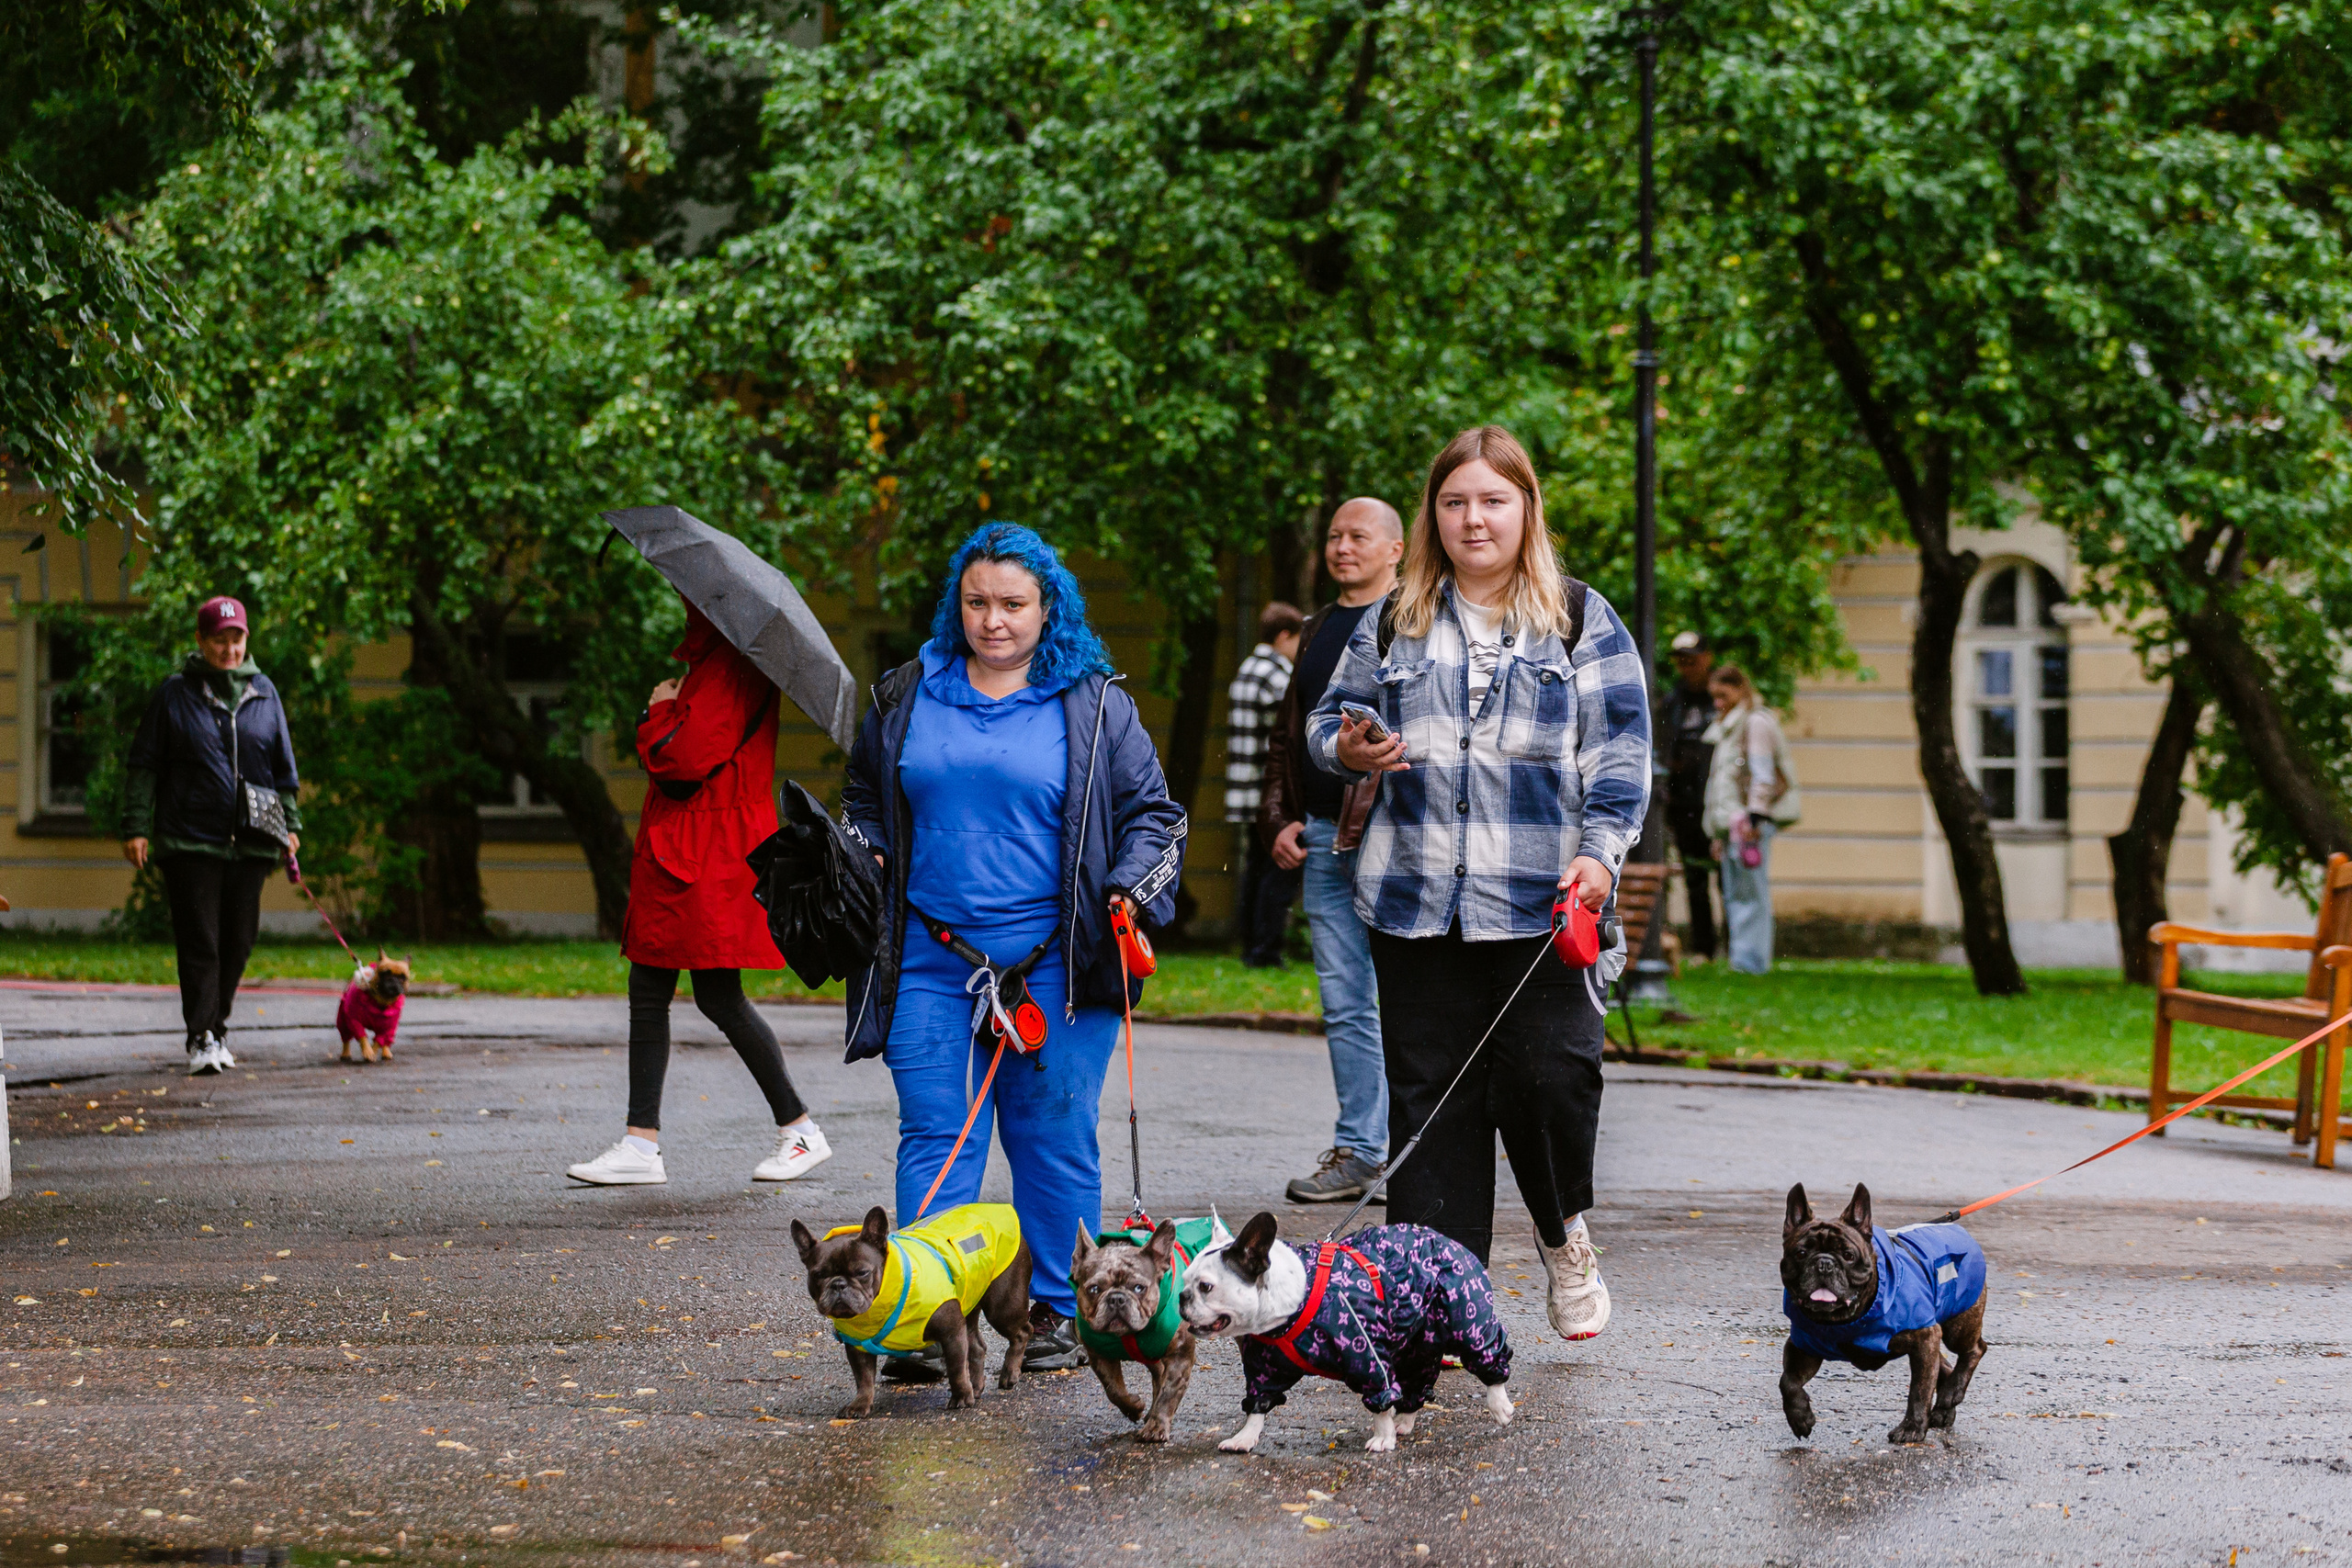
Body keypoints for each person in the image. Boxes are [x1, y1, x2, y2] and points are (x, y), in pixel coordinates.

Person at [1309, 424, 1651, 1344]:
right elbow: (1325, 724)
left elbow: (1621, 753)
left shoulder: (1580, 617)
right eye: (1455, 501)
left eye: (1493, 500)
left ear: (1525, 509)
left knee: (1552, 1084)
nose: (1473, 518)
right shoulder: (1393, 617)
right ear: (1433, 515)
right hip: (1412, 904)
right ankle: (1433, 1305)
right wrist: (1346, 746)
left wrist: (1600, 853)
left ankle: (1558, 1232)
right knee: (1434, 1110)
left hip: (1544, 905)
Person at [841, 523, 1186, 1371]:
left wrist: (1125, 885)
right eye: (978, 602)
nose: (994, 620)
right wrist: (861, 850)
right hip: (931, 958)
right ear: (957, 603)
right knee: (937, 1136)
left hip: (1057, 966)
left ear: (1048, 607)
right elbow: (864, 802)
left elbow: (1156, 817)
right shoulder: (906, 693)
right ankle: (928, 1314)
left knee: (1054, 1136)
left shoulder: (1096, 701)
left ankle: (1059, 1315)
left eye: (1013, 603)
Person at [567, 598, 831, 1188]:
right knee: (697, 992)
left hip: (703, 848)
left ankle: (790, 1130)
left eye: (694, 602)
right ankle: (660, 1140)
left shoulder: (729, 666)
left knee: (683, 989)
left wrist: (659, 711)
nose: (687, 609)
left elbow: (684, 759)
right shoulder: (719, 661)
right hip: (697, 844)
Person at [1257, 499, 1406, 1203]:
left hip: (1398, 836)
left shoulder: (1414, 621)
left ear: (1397, 548)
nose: (1342, 547)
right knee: (1345, 999)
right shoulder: (1317, 628)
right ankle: (1361, 1151)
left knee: (1410, 998)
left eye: (1359, 536)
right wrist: (1282, 815)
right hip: (1321, 832)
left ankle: (1409, 1152)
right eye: (1335, 536)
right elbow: (1289, 733)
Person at [122, 596, 303, 1076]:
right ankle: (201, 1035)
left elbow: (284, 769)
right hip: (189, 838)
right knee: (201, 939)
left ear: (247, 640)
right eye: (218, 639)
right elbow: (144, 765)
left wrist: (292, 826)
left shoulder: (264, 693)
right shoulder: (174, 694)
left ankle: (216, 1028)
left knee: (238, 940)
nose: (228, 648)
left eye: (236, 638)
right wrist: (137, 826)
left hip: (251, 840)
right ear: (201, 642)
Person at [1702, 663, 1798, 976]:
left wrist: (1754, 820)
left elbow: (1762, 775)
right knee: (1736, 894)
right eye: (1713, 697)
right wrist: (1717, 833)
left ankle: (1751, 963)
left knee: (1750, 895)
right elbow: (1724, 786)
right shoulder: (1728, 726)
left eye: (1723, 695)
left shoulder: (1754, 722)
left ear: (1740, 689)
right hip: (1733, 827)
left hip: (1749, 826)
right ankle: (1743, 960)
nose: (1718, 703)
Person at [1224, 602, 1304, 967]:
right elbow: (1290, 733)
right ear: (1284, 635)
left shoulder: (1248, 668)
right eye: (1297, 640)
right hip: (1268, 792)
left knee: (1255, 869)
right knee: (1279, 870)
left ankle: (1250, 944)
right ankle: (1266, 949)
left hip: (1244, 788)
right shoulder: (1274, 673)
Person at [1660, 630, 1721, 962]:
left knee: (1728, 877)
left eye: (1692, 659)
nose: (1687, 666)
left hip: (1718, 802)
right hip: (1684, 806)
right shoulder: (1672, 702)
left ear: (1707, 658)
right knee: (1694, 878)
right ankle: (1704, 947)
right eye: (1681, 661)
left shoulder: (1721, 697)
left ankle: (1738, 949)